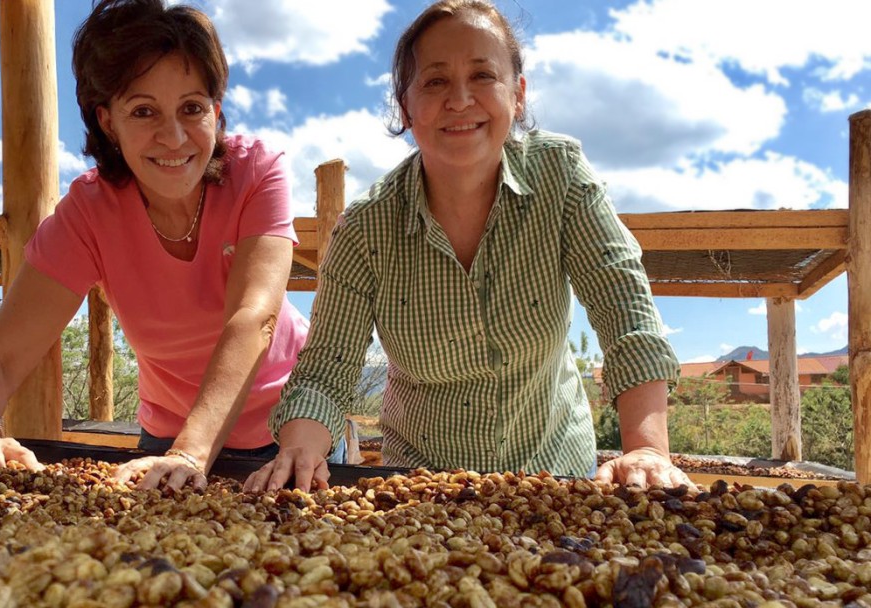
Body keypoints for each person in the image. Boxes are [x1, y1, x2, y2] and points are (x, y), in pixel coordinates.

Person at [245, 0, 691, 493]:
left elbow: (624, 309)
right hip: (421, 484)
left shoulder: (560, 176)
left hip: (556, 472)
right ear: (405, 106)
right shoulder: (366, 229)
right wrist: (301, 449)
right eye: (435, 81)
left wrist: (647, 449)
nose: (459, 99)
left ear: (517, 95)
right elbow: (326, 370)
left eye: (483, 75)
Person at [0, 0, 338, 491]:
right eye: (143, 111)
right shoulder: (89, 212)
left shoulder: (256, 171)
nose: (173, 137)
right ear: (108, 122)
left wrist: (192, 453)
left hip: (290, 430)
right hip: (168, 437)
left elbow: (254, 316)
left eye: (192, 109)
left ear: (215, 112)